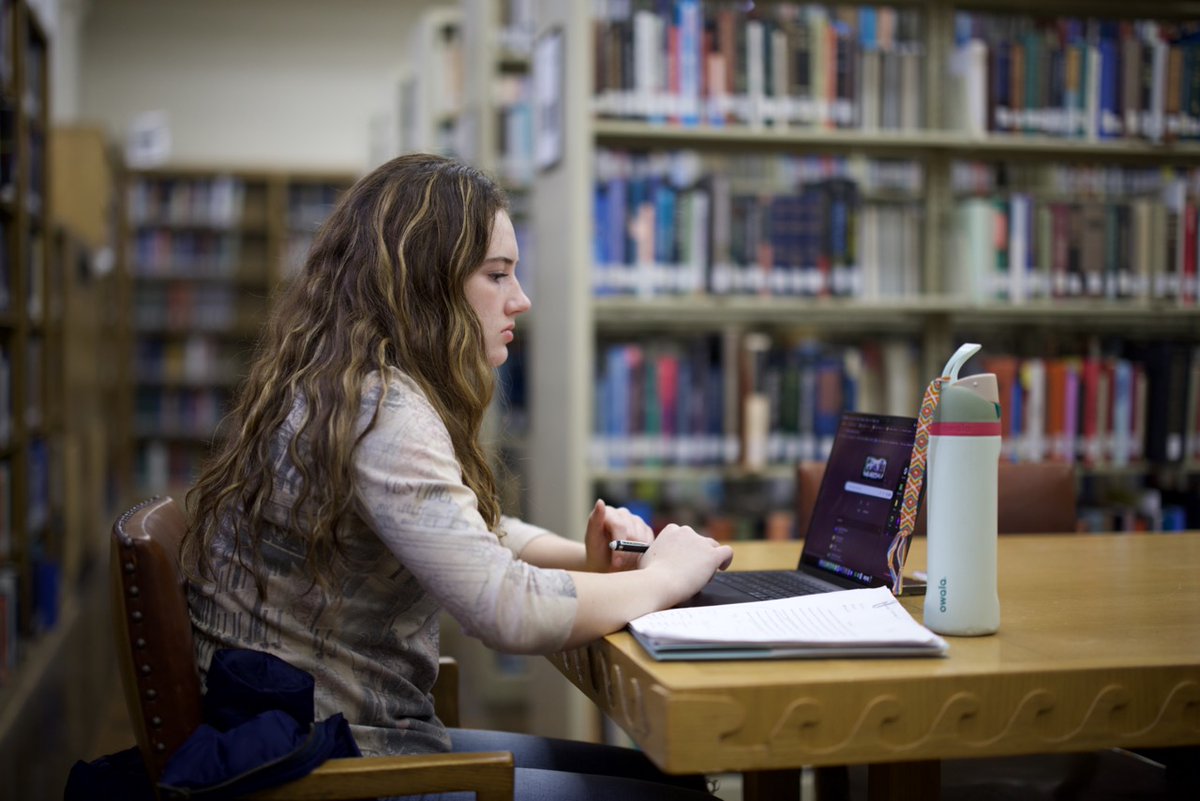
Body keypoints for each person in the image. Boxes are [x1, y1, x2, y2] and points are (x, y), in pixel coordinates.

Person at [180, 153, 734, 800]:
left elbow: (475, 533)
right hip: (330, 766)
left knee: (664, 778)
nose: (520, 300)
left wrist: (583, 560)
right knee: (676, 793)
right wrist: (667, 577)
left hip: (324, 738)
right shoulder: (381, 409)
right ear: (425, 284)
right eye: (497, 275)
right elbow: (507, 609)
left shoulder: (348, 385)